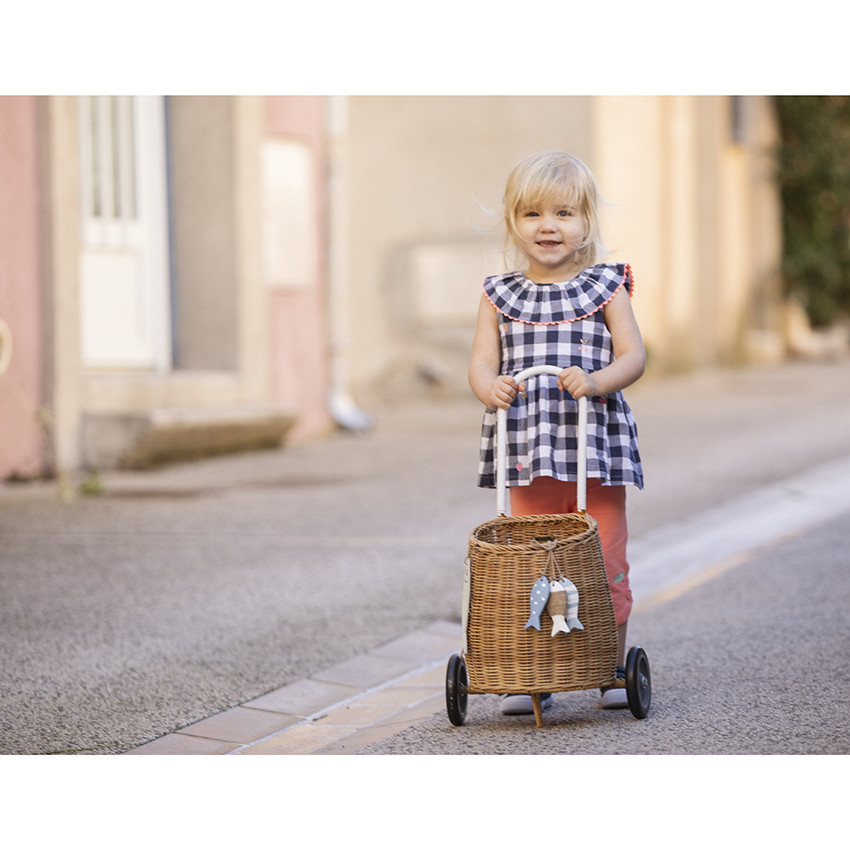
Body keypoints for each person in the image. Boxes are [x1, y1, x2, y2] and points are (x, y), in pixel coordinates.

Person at [468, 150, 645, 715]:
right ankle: (529, 671)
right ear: (513, 223)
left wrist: (597, 381)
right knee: (529, 560)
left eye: (564, 213)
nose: (548, 226)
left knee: (602, 556)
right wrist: (488, 386)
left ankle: (610, 666)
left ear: (587, 222)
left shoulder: (605, 287)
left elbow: (634, 356)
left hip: (591, 447)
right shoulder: (500, 294)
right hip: (526, 449)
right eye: (533, 215)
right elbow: (480, 362)